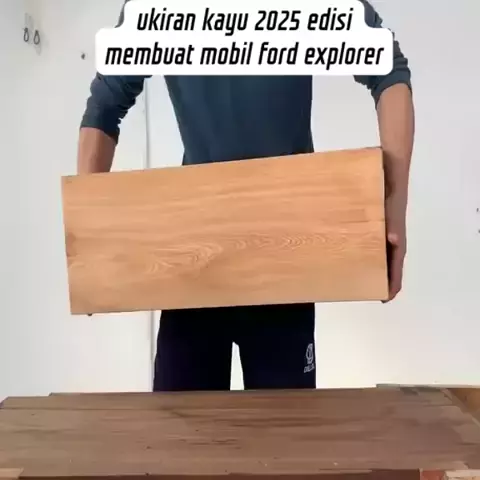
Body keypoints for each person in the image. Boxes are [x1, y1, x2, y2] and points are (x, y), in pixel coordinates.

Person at [77, 0, 414, 392]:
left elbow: (389, 75)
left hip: (288, 251)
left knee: (285, 428)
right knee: (179, 427)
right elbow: (104, 108)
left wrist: (394, 208)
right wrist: (90, 236)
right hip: (194, 256)